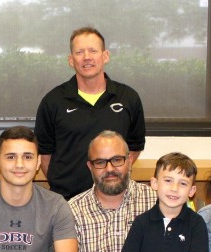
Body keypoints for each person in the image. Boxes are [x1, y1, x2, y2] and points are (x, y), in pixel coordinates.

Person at [35, 26, 145, 200]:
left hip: (115, 201)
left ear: (105, 56)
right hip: (66, 202)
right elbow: (45, 156)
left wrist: (110, 180)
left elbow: (134, 148)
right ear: (71, 60)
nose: (87, 57)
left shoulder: (128, 98)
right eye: (79, 52)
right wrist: (67, 185)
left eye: (93, 50)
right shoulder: (53, 101)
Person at [69, 130, 157, 252]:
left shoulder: (155, 202)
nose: (109, 169)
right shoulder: (73, 210)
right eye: (100, 162)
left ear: (130, 160)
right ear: (90, 166)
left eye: (117, 160)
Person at [120, 153, 208, 252]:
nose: (174, 188)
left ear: (192, 191)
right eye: (168, 180)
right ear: (154, 183)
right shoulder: (141, 222)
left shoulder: (196, 223)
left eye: (183, 183)